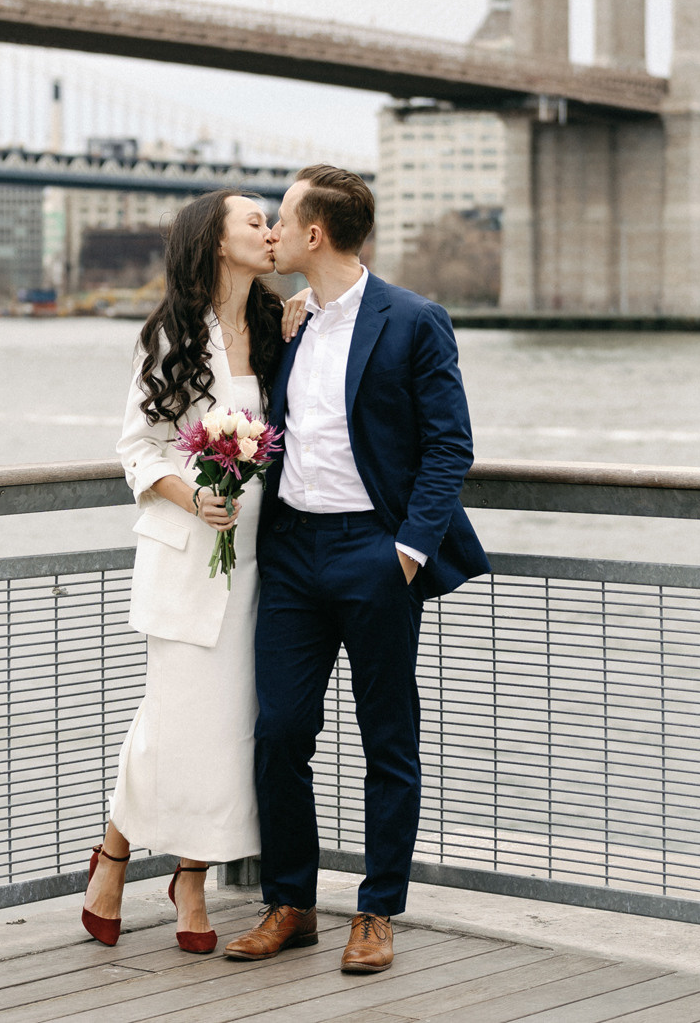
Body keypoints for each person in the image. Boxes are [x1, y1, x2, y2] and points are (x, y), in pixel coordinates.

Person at [223, 165, 487, 974]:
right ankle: (291, 903)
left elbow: (450, 445)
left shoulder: (415, 320)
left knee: (387, 737)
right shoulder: (286, 321)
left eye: (284, 219)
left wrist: (407, 551)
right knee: (278, 732)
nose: (272, 232)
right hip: (294, 555)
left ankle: (376, 911)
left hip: (376, 553)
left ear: (314, 234)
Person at [82, 188, 287, 955]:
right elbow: (138, 448)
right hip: (184, 553)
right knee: (171, 720)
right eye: (255, 221)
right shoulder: (168, 333)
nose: (269, 231)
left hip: (255, 565)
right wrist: (195, 495)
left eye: (271, 222)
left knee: (230, 727)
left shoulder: (274, 326)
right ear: (214, 239)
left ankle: (189, 872)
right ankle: (123, 858)